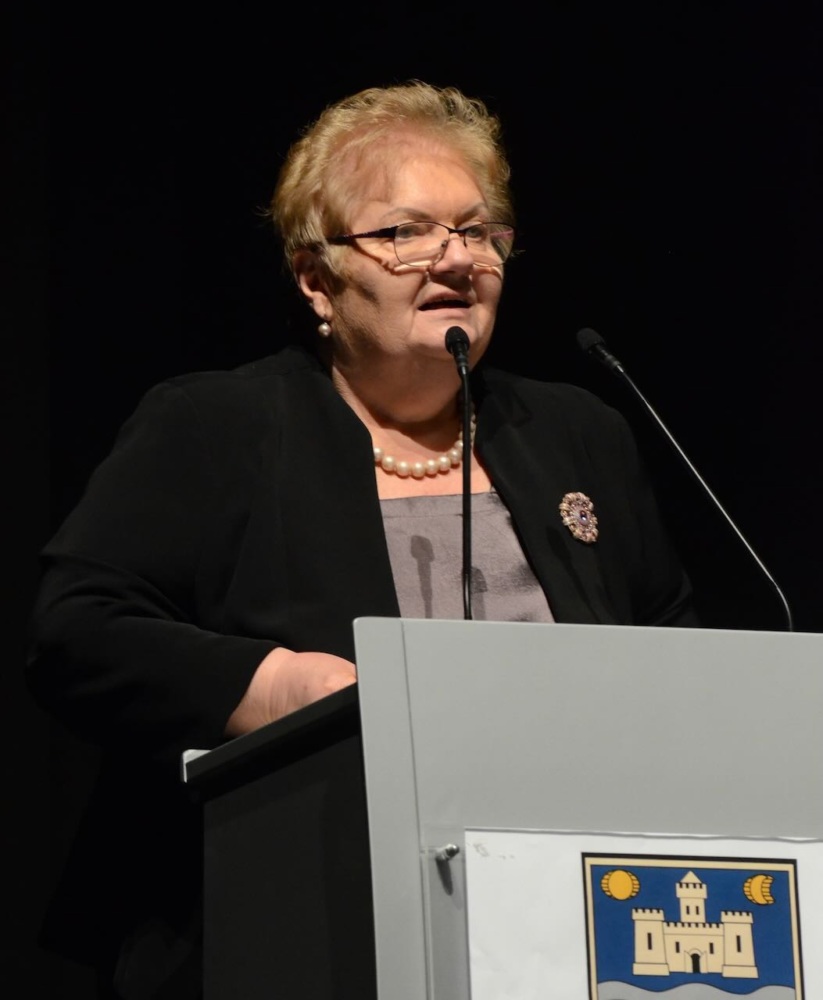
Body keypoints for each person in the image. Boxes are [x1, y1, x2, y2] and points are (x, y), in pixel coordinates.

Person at [27, 79, 698, 998]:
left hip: (562, 922)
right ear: (317, 280)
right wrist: (277, 688)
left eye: (479, 231)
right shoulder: (217, 426)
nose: (455, 259)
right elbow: (77, 630)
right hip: (290, 915)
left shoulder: (575, 433)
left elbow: (669, 650)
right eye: (405, 232)